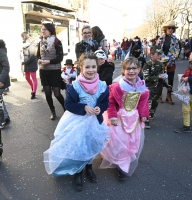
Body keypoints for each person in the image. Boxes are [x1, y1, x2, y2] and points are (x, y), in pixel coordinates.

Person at [43, 52, 109, 191]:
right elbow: (68, 104)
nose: (91, 70)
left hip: (94, 123)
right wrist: (83, 107)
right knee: (79, 147)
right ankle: (78, 172)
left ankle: (89, 168)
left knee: (91, 145)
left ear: (97, 67)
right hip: (77, 122)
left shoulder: (102, 85)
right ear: (80, 67)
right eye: (87, 67)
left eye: (93, 66)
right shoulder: (75, 85)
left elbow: (105, 103)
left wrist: (100, 108)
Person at [100, 57, 149, 181]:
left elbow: (142, 103)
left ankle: (124, 162)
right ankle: (120, 163)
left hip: (134, 118)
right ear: (123, 70)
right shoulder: (118, 86)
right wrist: (112, 116)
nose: (131, 71)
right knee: (119, 141)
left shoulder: (142, 87)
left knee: (131, 141)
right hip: (120, 117)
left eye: (134, 68)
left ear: (139, 69)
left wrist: (143, 114)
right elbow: (111, 102)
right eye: (128, 68)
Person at [37, 22, 65, 120]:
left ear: (50, 30)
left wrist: (48, 61)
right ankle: (52, 111)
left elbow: (60, 58)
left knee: (57, 93)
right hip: (43, 71)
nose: (42, 31)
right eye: (42, 29)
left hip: (55, 71)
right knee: (47, 93)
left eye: (45, 29)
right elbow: (38, 55)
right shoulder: (40, 42)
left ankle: (66, 110)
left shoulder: (57, 42)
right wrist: (39, 60)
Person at [143, 46, 170, 129]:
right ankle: (146, 119)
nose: (159, 56)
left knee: (155, 102)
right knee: (148, 103)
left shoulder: (161, 65)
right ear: (151, 55)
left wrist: (166, 85)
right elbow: (146, 77)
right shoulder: (147, 65)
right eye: (157, 54)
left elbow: (162, 76)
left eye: (160, 55)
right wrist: (158, 77)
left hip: (158, 87)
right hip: (149, 87)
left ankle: (151, 113)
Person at [157, 21, 179, 104]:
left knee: (170, 80)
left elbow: (177, 50)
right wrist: (164, 59)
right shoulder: (161, 38)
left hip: (171, 63)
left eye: (172, 28)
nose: (170, 29)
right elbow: (158, 49)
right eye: (169, 28)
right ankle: (159, 95)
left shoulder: (175, 39)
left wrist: (171, 58)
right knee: (161, 79)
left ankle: (168, 96)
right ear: (165, 29)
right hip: (162, 62)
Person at [21, 32, 38, 99]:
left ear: (24, 37)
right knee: (27, 77)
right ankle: (32, 87)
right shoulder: (25, 45)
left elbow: (32, 56)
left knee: (34, 79)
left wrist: (25, 63)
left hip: (31, 64)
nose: (21, 39)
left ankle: (33, 92)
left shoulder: (32, 45)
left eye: (22, 37)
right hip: (27, 64)